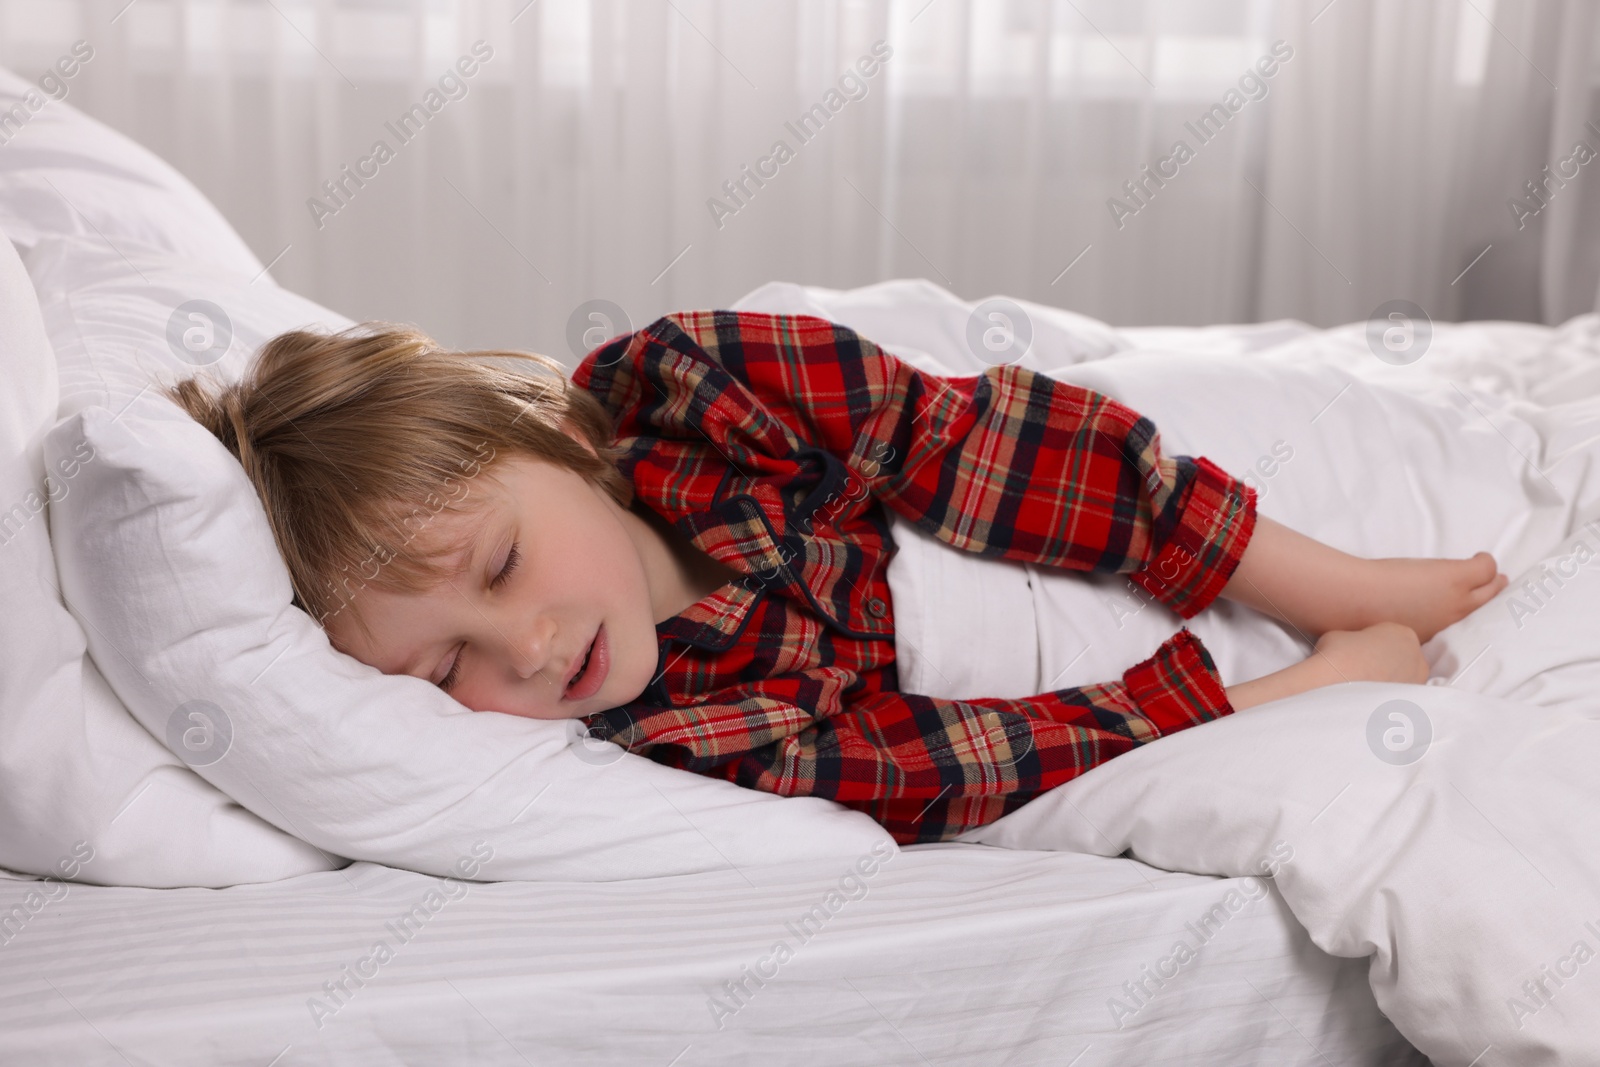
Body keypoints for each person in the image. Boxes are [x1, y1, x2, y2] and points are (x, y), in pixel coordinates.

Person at [166, 311, 1506, 844]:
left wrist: (1326, 591)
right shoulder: (683, 731)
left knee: (1435, 468)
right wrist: (1292, 697)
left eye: (504, 564)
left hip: (1154, 491)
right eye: (440, 668)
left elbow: (1006, 445)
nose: (519, 650)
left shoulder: (707, 386)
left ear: (563, 441)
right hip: (1122, 675)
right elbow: (951, 766)